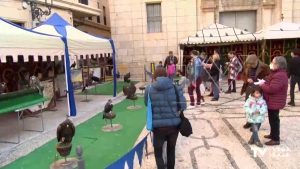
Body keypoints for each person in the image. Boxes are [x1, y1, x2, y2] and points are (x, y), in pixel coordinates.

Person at [144, 67, 187, 169]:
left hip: (158, 128)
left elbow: (147, 103)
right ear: (166, 75)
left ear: (154, 76)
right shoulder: (176, 87)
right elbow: (183, 106)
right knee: (171, 151)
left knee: (158, 154)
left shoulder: (149, 89)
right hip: (174, 126)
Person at [258, 56, 288, 146]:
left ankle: (275, 139)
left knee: (274, 120)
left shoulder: (280, 75)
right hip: (272, 100)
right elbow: (268, 80)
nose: (271, 63)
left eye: (273, 62)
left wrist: (262, 85)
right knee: (272, 119)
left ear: (278, 65)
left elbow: (272, 89)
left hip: (275, 101)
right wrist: (263, 81)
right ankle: (272, 134)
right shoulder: (276, 73)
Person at [241, 54, 270, 129]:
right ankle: (249, 121)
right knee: (249, 105)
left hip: (259, 89)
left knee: (257, 107)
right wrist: (247, 79)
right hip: (249, 88)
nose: (251, 66)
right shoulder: (247, 66)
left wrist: (260, 81)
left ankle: (256, 124)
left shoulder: (264, 67)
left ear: (257, 60)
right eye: (249, 65)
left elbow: (268, 77)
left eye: (252, 64)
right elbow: (243, 75)